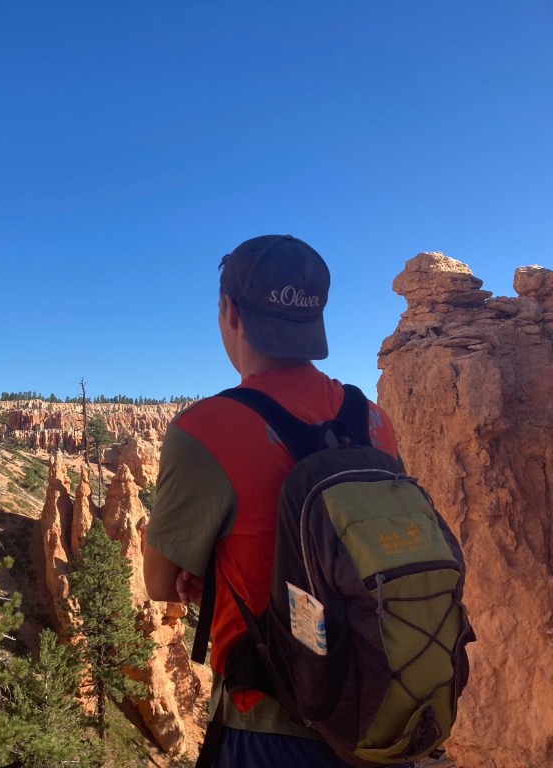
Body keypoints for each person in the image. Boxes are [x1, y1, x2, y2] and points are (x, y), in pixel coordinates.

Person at [142, 234, 402, 768]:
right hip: (381, 710)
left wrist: (214, 571)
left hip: (271, 725)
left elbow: (160, 583)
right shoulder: (373, 419)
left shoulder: (206, 429)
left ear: (230, 311)